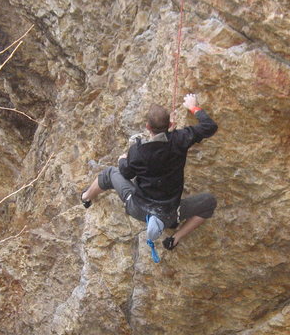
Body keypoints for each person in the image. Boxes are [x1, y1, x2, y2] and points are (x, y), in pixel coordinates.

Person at [81, 93, 218, 251]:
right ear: (170, 123)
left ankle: (86, 197)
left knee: (110, 173)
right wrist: (193, 106)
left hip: (138, 208)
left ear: (147, 127)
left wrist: (122, 159)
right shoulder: (180, 140)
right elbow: (209, 126)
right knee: (209, 202)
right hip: (170, 214)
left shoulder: (138, 152)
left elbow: (126, 173)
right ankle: (174, 239)